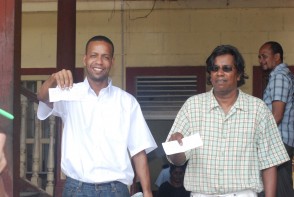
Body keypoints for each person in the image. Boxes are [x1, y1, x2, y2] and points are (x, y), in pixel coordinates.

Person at [37, 35, 157, 197]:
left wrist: (148, 192)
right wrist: (53, 78)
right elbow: (42, 97)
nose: (99, 62)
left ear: (112, 62)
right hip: (76, 188)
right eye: (94, 55)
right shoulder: (69, 93)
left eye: (105, 57)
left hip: (116, 190)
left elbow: (138, 151)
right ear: (85, 59)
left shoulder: (127, 102)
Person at [166, 44, 290, 197]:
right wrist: (176, 147)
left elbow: (270, 163)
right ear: (210, 74)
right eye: (214, 68)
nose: (219, 73)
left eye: (226, 68)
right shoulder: (192, 106)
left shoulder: (258, 109)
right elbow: (176, 160)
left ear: (238, 74)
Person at [258, 41, 294, 196]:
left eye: (264, 56)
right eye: (259, 57)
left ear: (277, 57)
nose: (261, 60)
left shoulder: (278, 77)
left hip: (277, 142)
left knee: (278, 189)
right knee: (281, 187)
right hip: (283, 141)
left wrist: (260, 136)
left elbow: (277, 115)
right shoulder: (282, 75)